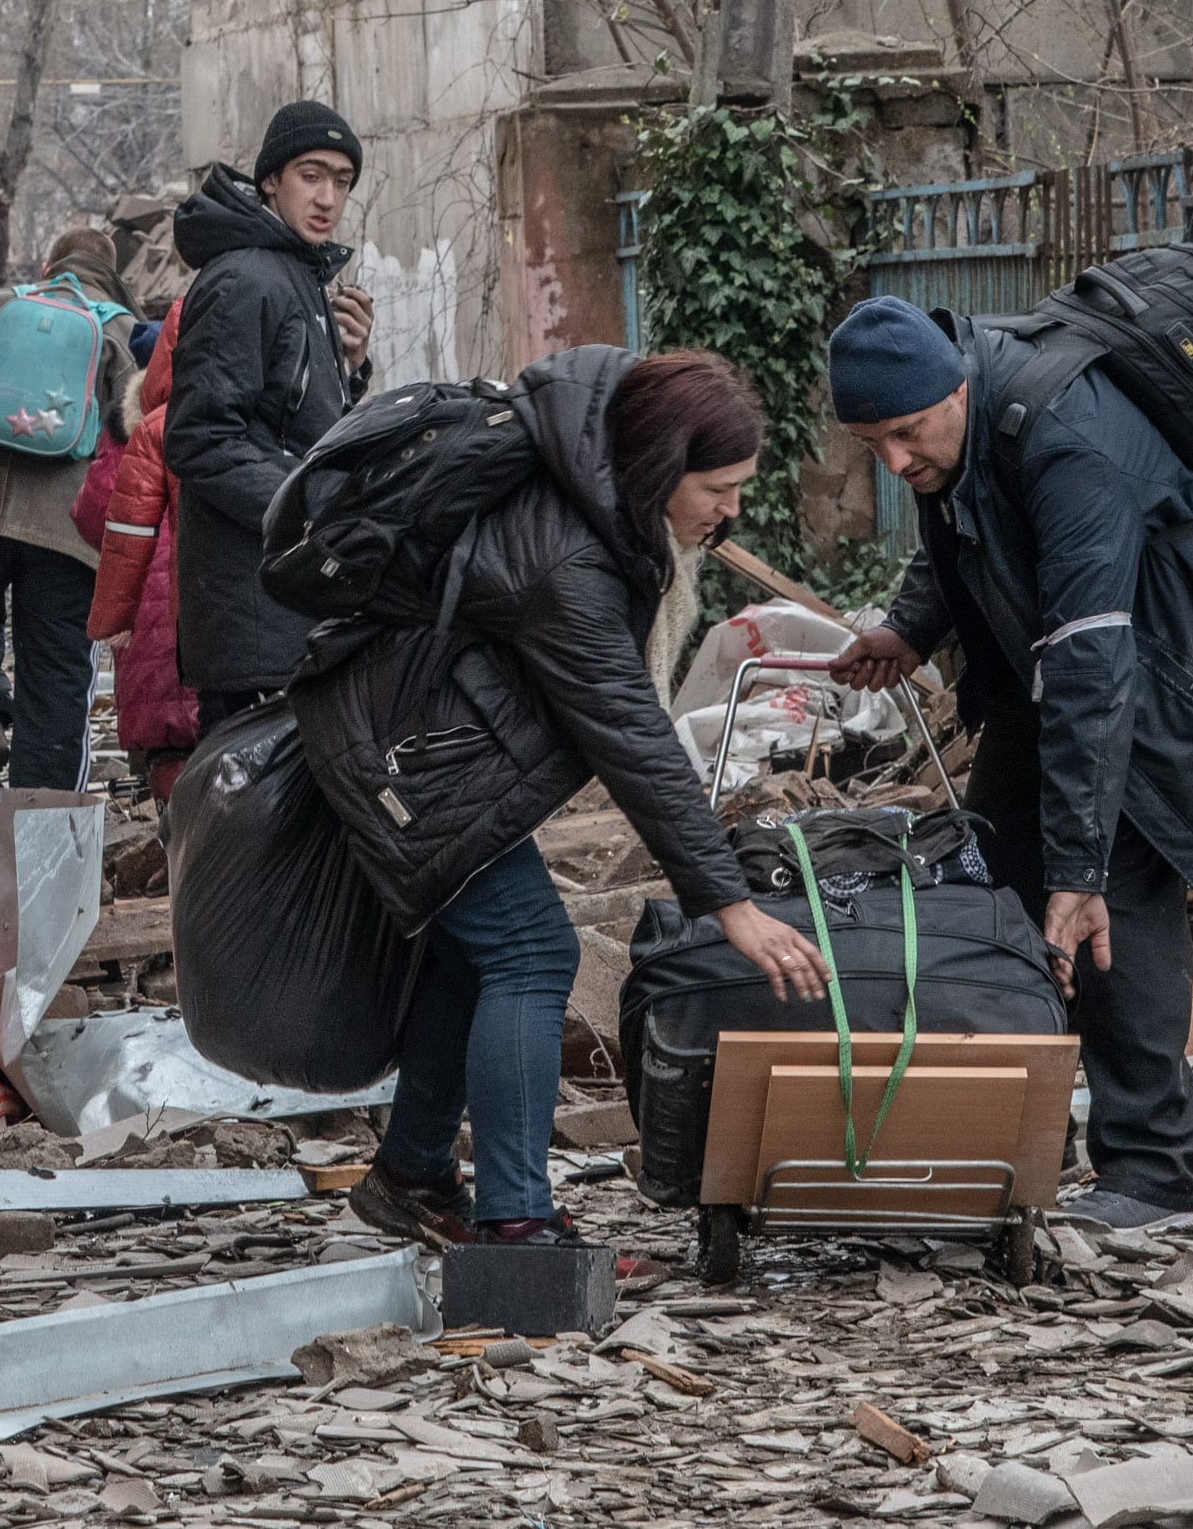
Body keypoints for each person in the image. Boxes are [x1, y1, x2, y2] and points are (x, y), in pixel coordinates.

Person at [294, 346, 830, 1247]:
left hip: (420, 736)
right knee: (533, 950)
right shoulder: (566, 559)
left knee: (478, 954)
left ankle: (411, 1173)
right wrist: (729, 905)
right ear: (662, 467)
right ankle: (515, 1224)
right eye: (721, 487)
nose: (733, 509)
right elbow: (629, 732)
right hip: (403, 760)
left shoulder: (595, 488)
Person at [820, 293, 1193, 1232]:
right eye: (873, 441)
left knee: (1108, 908)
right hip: (1047, 681)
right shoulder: (963, 424)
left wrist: (1077, 870)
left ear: (954, 388)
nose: (894, 461)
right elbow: (959, 522)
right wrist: (911, 628)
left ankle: (1156, 1171)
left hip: (1164, 686)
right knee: (998, 883)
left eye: (907, 432)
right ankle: (1012, 1140)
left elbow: (1092, 664)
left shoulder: (1068, 440)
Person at [164, 101, 376, 728]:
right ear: (270, 182)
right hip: (253, 610)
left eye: (342, 180)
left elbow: (295, 427)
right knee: (253, 817)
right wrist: (307, 511)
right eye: (311, 174)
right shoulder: (245, 278)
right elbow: (199, 439)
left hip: (287, 599)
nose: (328, 196)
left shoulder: (293, 274)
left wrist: (351, 368)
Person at [0, 224, 135, 788]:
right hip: (65, 529)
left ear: (47, 266)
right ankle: (41, 815)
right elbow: (128, 440)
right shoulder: (121, 329)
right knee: (58, 665)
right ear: (112, 276)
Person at [71, 307, 200, 803]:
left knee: (166, 743)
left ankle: (177, 844)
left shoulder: (131, 433)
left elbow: (89, 514)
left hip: (144, 622)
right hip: (209, 614)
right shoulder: (223, 418)